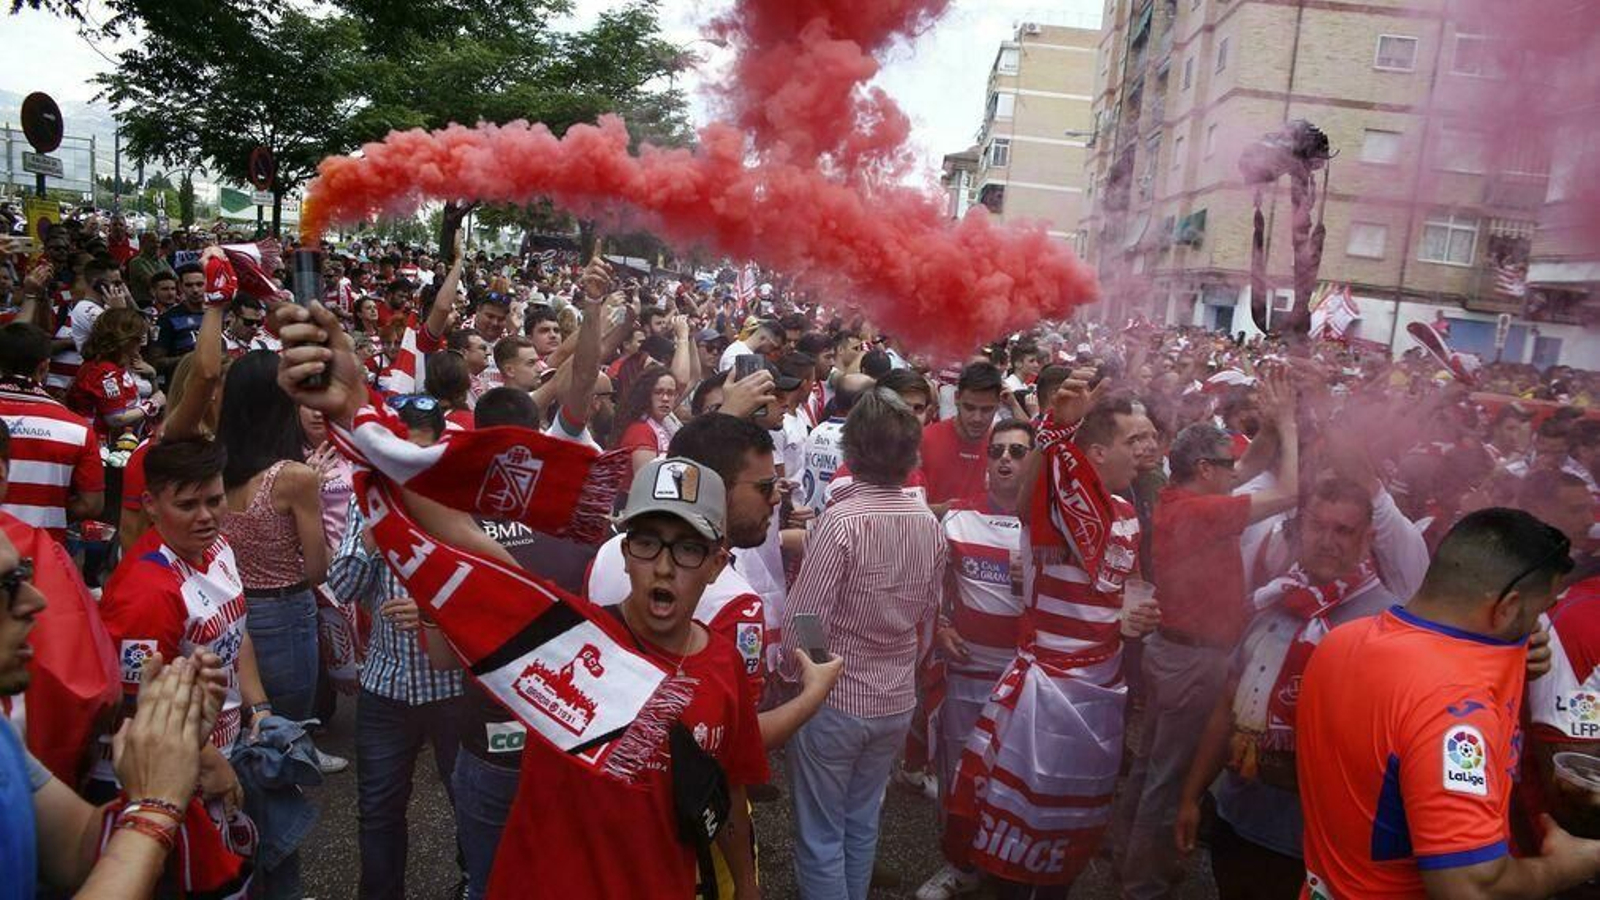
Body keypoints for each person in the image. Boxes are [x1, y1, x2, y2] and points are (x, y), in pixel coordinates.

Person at [1297, 508, 1600, 898]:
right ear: (1506, 608)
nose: (1540, 628)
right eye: (1541, 611)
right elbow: (1469, 889)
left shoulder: (1342, 640)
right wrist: (1568, 865)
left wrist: (1511, 655)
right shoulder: (1455, 711)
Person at [944, 382, 1157, 899]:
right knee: (1017, 829)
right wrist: (1054, 430)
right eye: (1134, 440)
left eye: (1150, 438)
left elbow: (1126, 587)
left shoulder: (1128, 513)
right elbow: (1026, 495)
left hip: (1103, 689)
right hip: (1047, 692)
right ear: (1098, 452)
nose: (1147, 449)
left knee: (1072, 826)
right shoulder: (1054, 508)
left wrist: (1135, 615)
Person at [1172, 474, 1430, 899]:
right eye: (1317, 526)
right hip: (1240, 818)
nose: (1327, 541)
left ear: (1367, 539)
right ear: (1301, 528)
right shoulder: (1276, 598)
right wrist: (1192, 794)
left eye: (1343, 530)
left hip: (1317, 848)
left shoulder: (1386, 623)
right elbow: (1228, 704)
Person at [1112, 371, 1300, 900]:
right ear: (1203, 469)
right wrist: (1288, 424)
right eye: (1225, 464)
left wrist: (1273, 419)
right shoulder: (1202, 511)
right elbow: (1290, 491)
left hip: (1174, 653)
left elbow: (1251, 464)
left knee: (1151, 764)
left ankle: (1126, 856)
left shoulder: (1181, 497)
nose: (1235, 470)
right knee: (1170, 778)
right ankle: (1143, 886)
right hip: (1193, 661)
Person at [780, 388, 946, 900]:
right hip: (894, 698)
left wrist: (800, 678)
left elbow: (804, 620)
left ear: (853, 448)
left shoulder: (841, 521)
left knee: (822, 832)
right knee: (861, 819)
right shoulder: (927, 523)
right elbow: (928, 620)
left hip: (835, 697)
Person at [94, 438, 271, 821]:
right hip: (160, 775)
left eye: (214, 500)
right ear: (151, 505)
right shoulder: (148, 591)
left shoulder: (218, 547)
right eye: (187, 505)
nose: (206, 516)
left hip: (220, 750)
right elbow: (137, 705)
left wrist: (259, 710)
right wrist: (210, 763)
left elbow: (235, 635)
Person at [916, 418, 1035, 900]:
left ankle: (1007, 866)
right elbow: (930, 586)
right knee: (960, 775)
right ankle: (959, 866)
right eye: (997, 450)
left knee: (1016, 780)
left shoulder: (1051, 526)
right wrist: (941, 626)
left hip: (1027, 678)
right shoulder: (957, 518)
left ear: (1033, 461)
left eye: (1017, 451)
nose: (1005, 459)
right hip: (967, 673)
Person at [216, 351, 331, 730]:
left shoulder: (214, 463)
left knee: (240, 720)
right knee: (286, 729)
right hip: (284, 611)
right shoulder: (295, 477)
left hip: (228, 607)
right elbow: (317, 569)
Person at [0, 322, 105, 539]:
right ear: (44, 367)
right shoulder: (77, 428)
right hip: (42, 549)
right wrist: (47, 508)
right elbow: (91, 505)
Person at [67, 307, 158, 446]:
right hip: (100, 445)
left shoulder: (116, 366)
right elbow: (115, 418)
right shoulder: (104, 371)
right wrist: (152, 404)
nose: (141, 342)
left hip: (121, 442)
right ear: (126, 340)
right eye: (138, 337)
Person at [920, 361, 1004, 512]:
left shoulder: (1004, 448)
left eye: (986, 410)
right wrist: (943, 511)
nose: (977, 418)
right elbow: (901, 507)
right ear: (956, 398)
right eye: (969, 408)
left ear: (998, 404)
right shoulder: (924, 440)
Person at [612, 363, 681, 478]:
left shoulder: (667, 425)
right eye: (658, 392)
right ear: (646, 394)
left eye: (670, 393)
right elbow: (646, 481)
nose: (665, 399)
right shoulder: (640, 431)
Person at [149, 262, 207, 385]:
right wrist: (188, 359)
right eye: (189, 285)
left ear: (206, 284)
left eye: (199, 284)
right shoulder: (167, 319)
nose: (195, 290)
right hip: (183, 386)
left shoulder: (216, 314)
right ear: (180, 287)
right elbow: (155, 362)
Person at [718, 317, 783, 372]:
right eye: (773, 347)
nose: (771, 352)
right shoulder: (737, 354)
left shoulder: (746, 353)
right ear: (763, 338)